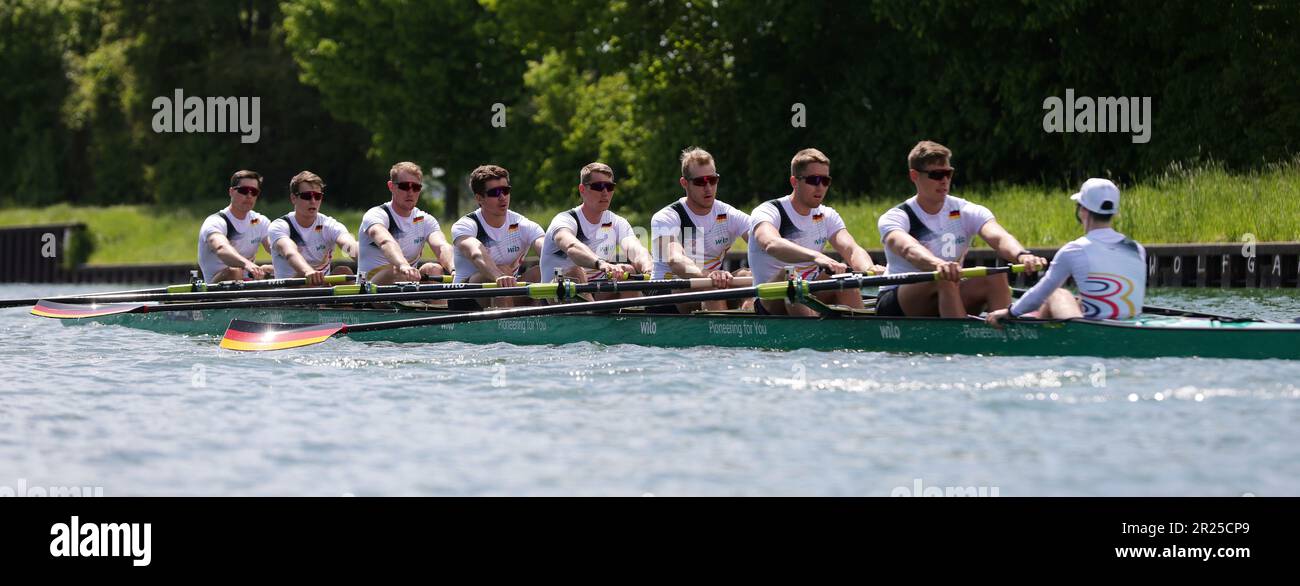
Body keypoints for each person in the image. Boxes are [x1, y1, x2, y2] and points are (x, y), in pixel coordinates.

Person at [875, 141, 1048, 318]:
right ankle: (958, 333)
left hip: (948, 291)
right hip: (896, 301)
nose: (944, 180)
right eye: (936, 175)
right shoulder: (897, 216)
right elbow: (908, 248)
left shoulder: (965, 210)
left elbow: (999, 237)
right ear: (914, 176)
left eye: (948, 174)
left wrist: (1022, 255)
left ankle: (1006, 331)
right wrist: (939, 264)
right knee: (943, 277)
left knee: (996, 276)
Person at [986, 178, 1146, 326]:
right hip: (1133, 329)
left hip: (1094, 334)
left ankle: (1036, 338)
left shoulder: (1074, 250)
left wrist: (1010, 312)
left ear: (1082, 211)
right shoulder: (1137, 249)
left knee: (1057, 294)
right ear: (1114, 213)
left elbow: (1041, 293)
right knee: (1081, 300)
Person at [748, 148, 885, 316]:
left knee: (844, 280)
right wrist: (816, 257)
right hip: (770, 300)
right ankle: (813, 327)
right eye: (813, 180)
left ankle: (864, 330)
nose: (820, 187)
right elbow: (771, 243)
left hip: (811, 292)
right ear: (794, 182)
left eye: (825, 181)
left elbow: (851, 249)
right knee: (789, 275)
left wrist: (870, 268)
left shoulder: (826, 215)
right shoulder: (769, 211)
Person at [650, 147, 753, 312]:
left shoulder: (728, 214)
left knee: (748, 278)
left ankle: (753, 324)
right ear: (684, 183)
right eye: (700, 182)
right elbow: (675, 260)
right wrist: (708, 275)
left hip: (710, 284)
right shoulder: (666, 217)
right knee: (710, 288)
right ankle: (722, 326)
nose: (708, 188)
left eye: (712, 180)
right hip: (665, 294)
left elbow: (763, 242)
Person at [539, 162, 653, 300]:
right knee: (576, 272)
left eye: (610, 187)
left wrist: (649, 268)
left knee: (628, 271)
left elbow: (635, 249)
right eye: (598, 187)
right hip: (557, 294)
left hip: (595, 290)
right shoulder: (565, 220)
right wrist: (601, 263)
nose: (605, 192)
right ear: (582, 189)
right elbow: (571, 247)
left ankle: (628, 314)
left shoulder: (617, 222)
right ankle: (593, 311)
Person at [450, 165, 545, 308]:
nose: (502, 197)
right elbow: (476, 253)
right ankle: (508, 320)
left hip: (505, 293)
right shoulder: (465, 225)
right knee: (503, 271)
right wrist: (498, 276)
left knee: (541, 272)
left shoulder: (523, 224)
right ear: (479, 198)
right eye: (495, 193)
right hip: (465, 299)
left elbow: (546, 248)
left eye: (506, 191)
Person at [356, 161, 455, 285]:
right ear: (391, 186)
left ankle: (433, 299)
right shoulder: (376, 215)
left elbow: (441, 247)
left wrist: (453, 268)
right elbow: (385, 241)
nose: (410, 192)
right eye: (404, 186)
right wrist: (403, 265)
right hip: (369, 286)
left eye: (416, 187)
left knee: (433, 269)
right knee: (397, 271)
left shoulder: (425, 220)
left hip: (406, 281)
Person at [267, 171, 359, 286]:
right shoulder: (280, 226)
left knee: (343, 271)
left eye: (317, 196)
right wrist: (308, 271)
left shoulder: (329, 225)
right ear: (293, 198)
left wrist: (364, 258)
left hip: (322, 288)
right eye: (307, 196)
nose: (313, 201)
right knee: (303, 276)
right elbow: (290, 252)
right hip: (291, 290)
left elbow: (349, 244)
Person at [197, 169, 274, 283]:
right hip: (216, 286)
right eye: (244, 190)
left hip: (247, 282)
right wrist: (246, 264)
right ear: (231, 192)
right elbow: (221, 248)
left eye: (254, 192)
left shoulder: (259, 221)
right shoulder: (215, 222)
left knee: (272, 269)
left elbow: (276, 248)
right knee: (234, 271)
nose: (249, 196)